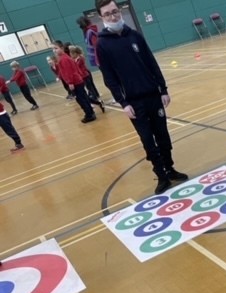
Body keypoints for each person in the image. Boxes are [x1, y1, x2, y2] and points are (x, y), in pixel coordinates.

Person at [95, 0, 187, 194]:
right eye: (108, 14)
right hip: (134, 103)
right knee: (148, 140)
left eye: (115, 11)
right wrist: (123, 103)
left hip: (153, 96)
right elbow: (109, 78)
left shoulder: (135, 35)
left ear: (119, 11)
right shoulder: (102, 45)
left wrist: (163, 89)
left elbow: (152, 63)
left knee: (163, 136)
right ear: (101, 17)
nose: (113, 16)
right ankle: (161, 175)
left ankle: (170, 169)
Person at [52, 41, 97, 123]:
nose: (54, 50)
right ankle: (90, 112)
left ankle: (89, 114)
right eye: (53, 49)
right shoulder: (64, 57)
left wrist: (70, 82)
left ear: (61, 48)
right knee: (84, 97)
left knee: (81, 99)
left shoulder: (64, 59)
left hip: (75, 82)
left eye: (56, 48)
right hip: (77, 80)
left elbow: (69, 72)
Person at [69, 45, 105, 112]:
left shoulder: (80, 58)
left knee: (90, 88)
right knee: (88, 89)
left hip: (85, 76)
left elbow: (77, 66)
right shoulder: (75, 60)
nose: (71, 55)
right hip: (82, 76)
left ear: (75, 53)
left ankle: (97, 100)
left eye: (71, 54)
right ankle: (95, 101)